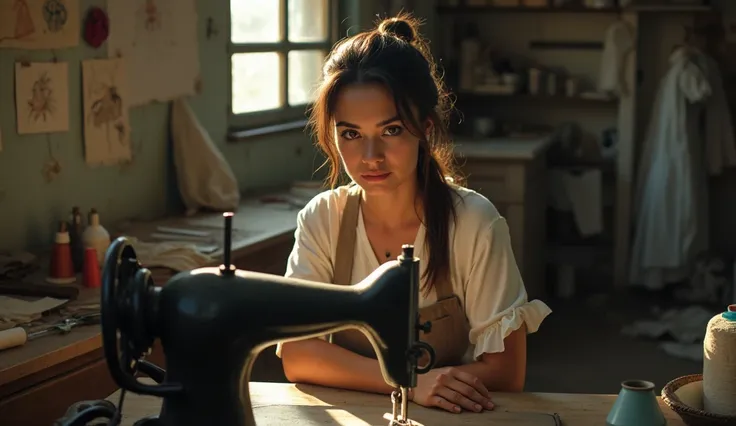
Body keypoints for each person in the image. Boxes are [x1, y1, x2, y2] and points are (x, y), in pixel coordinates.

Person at [275, 12, 552, 414]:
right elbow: (297, 355)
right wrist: (409, 381)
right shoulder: (324, 219)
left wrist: (417, 388)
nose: (370, 157)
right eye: (350, 134)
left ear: (423, 128)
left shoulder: (473, 222)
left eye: (391, 130)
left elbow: (508, 370)